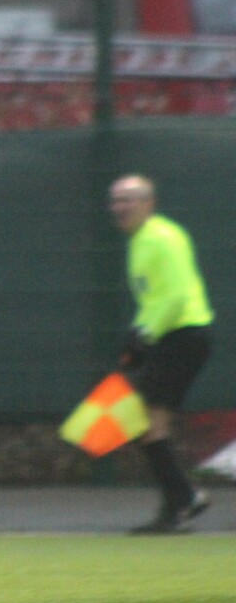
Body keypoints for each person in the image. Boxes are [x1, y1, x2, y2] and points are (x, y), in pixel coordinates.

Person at [109, 174, 214, 533]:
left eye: (128, 199)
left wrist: (145, 335)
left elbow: (176, 297)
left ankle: (183, 502)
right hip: (168, 338)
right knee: (144, 425)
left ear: (149, 203)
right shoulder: (140, 242)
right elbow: (153, 299)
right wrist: (137, 335)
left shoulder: (162, 238)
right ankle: (182, 502)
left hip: (183, 337)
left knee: (147, 424)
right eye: (116, 200)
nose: (119, 207)